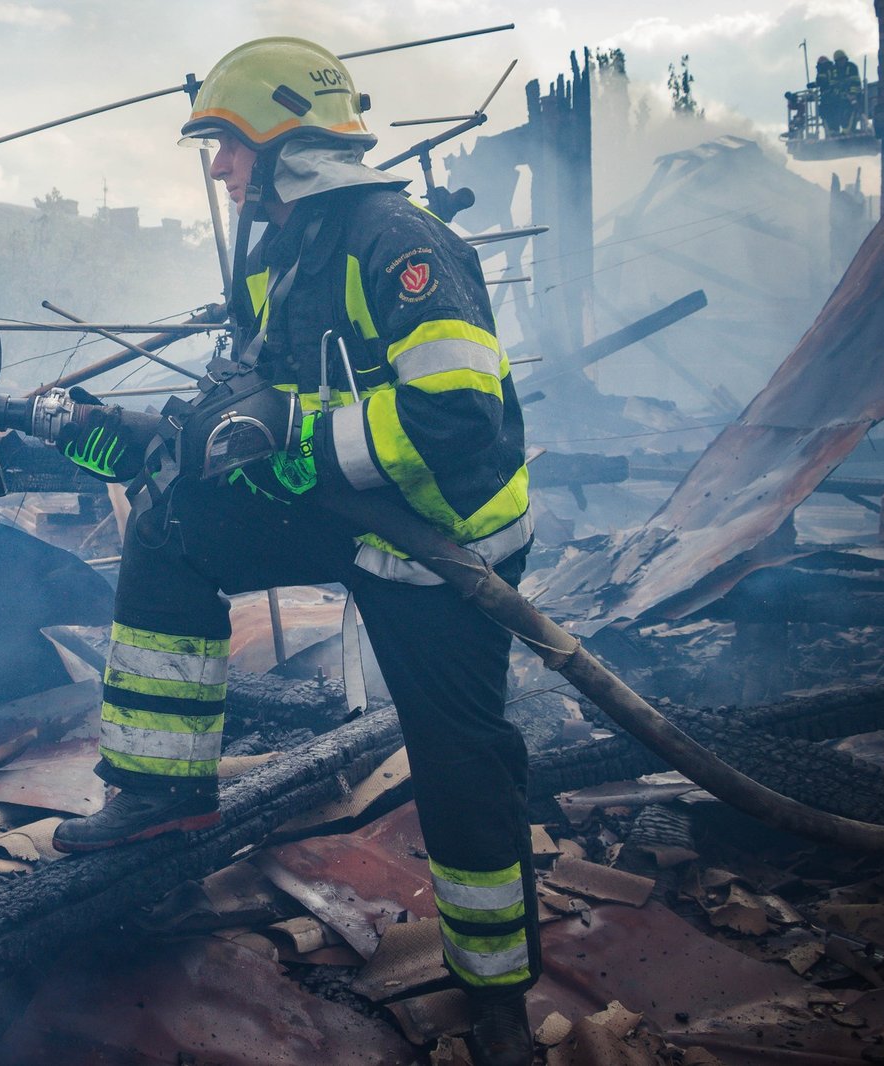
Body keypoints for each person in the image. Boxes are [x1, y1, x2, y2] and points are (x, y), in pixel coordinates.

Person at [49, 37, 538, 1066]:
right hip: (349, 509)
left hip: (446, 543)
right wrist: (170, 439)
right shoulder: (280, 249)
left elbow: (458, 418)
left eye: (226, 146)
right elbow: (254, 389)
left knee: (463, 767)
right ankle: (162, 791)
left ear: (284, 141)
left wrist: (299, 443)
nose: (220, 171)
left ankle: (496, 1000)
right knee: (174, 524)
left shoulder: (395, 242)